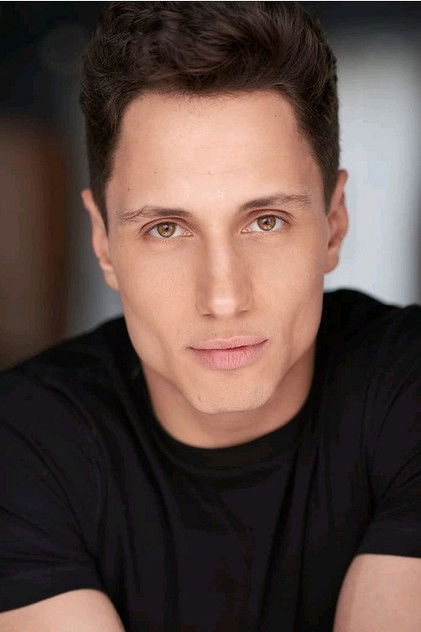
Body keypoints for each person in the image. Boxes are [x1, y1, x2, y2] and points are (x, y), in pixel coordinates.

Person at [0, 1, 420, 630]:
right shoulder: (21, 445)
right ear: (103, 242)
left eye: (266, 221)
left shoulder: (409, 387)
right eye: (167, 229)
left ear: (334, 224)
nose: (223, 297)